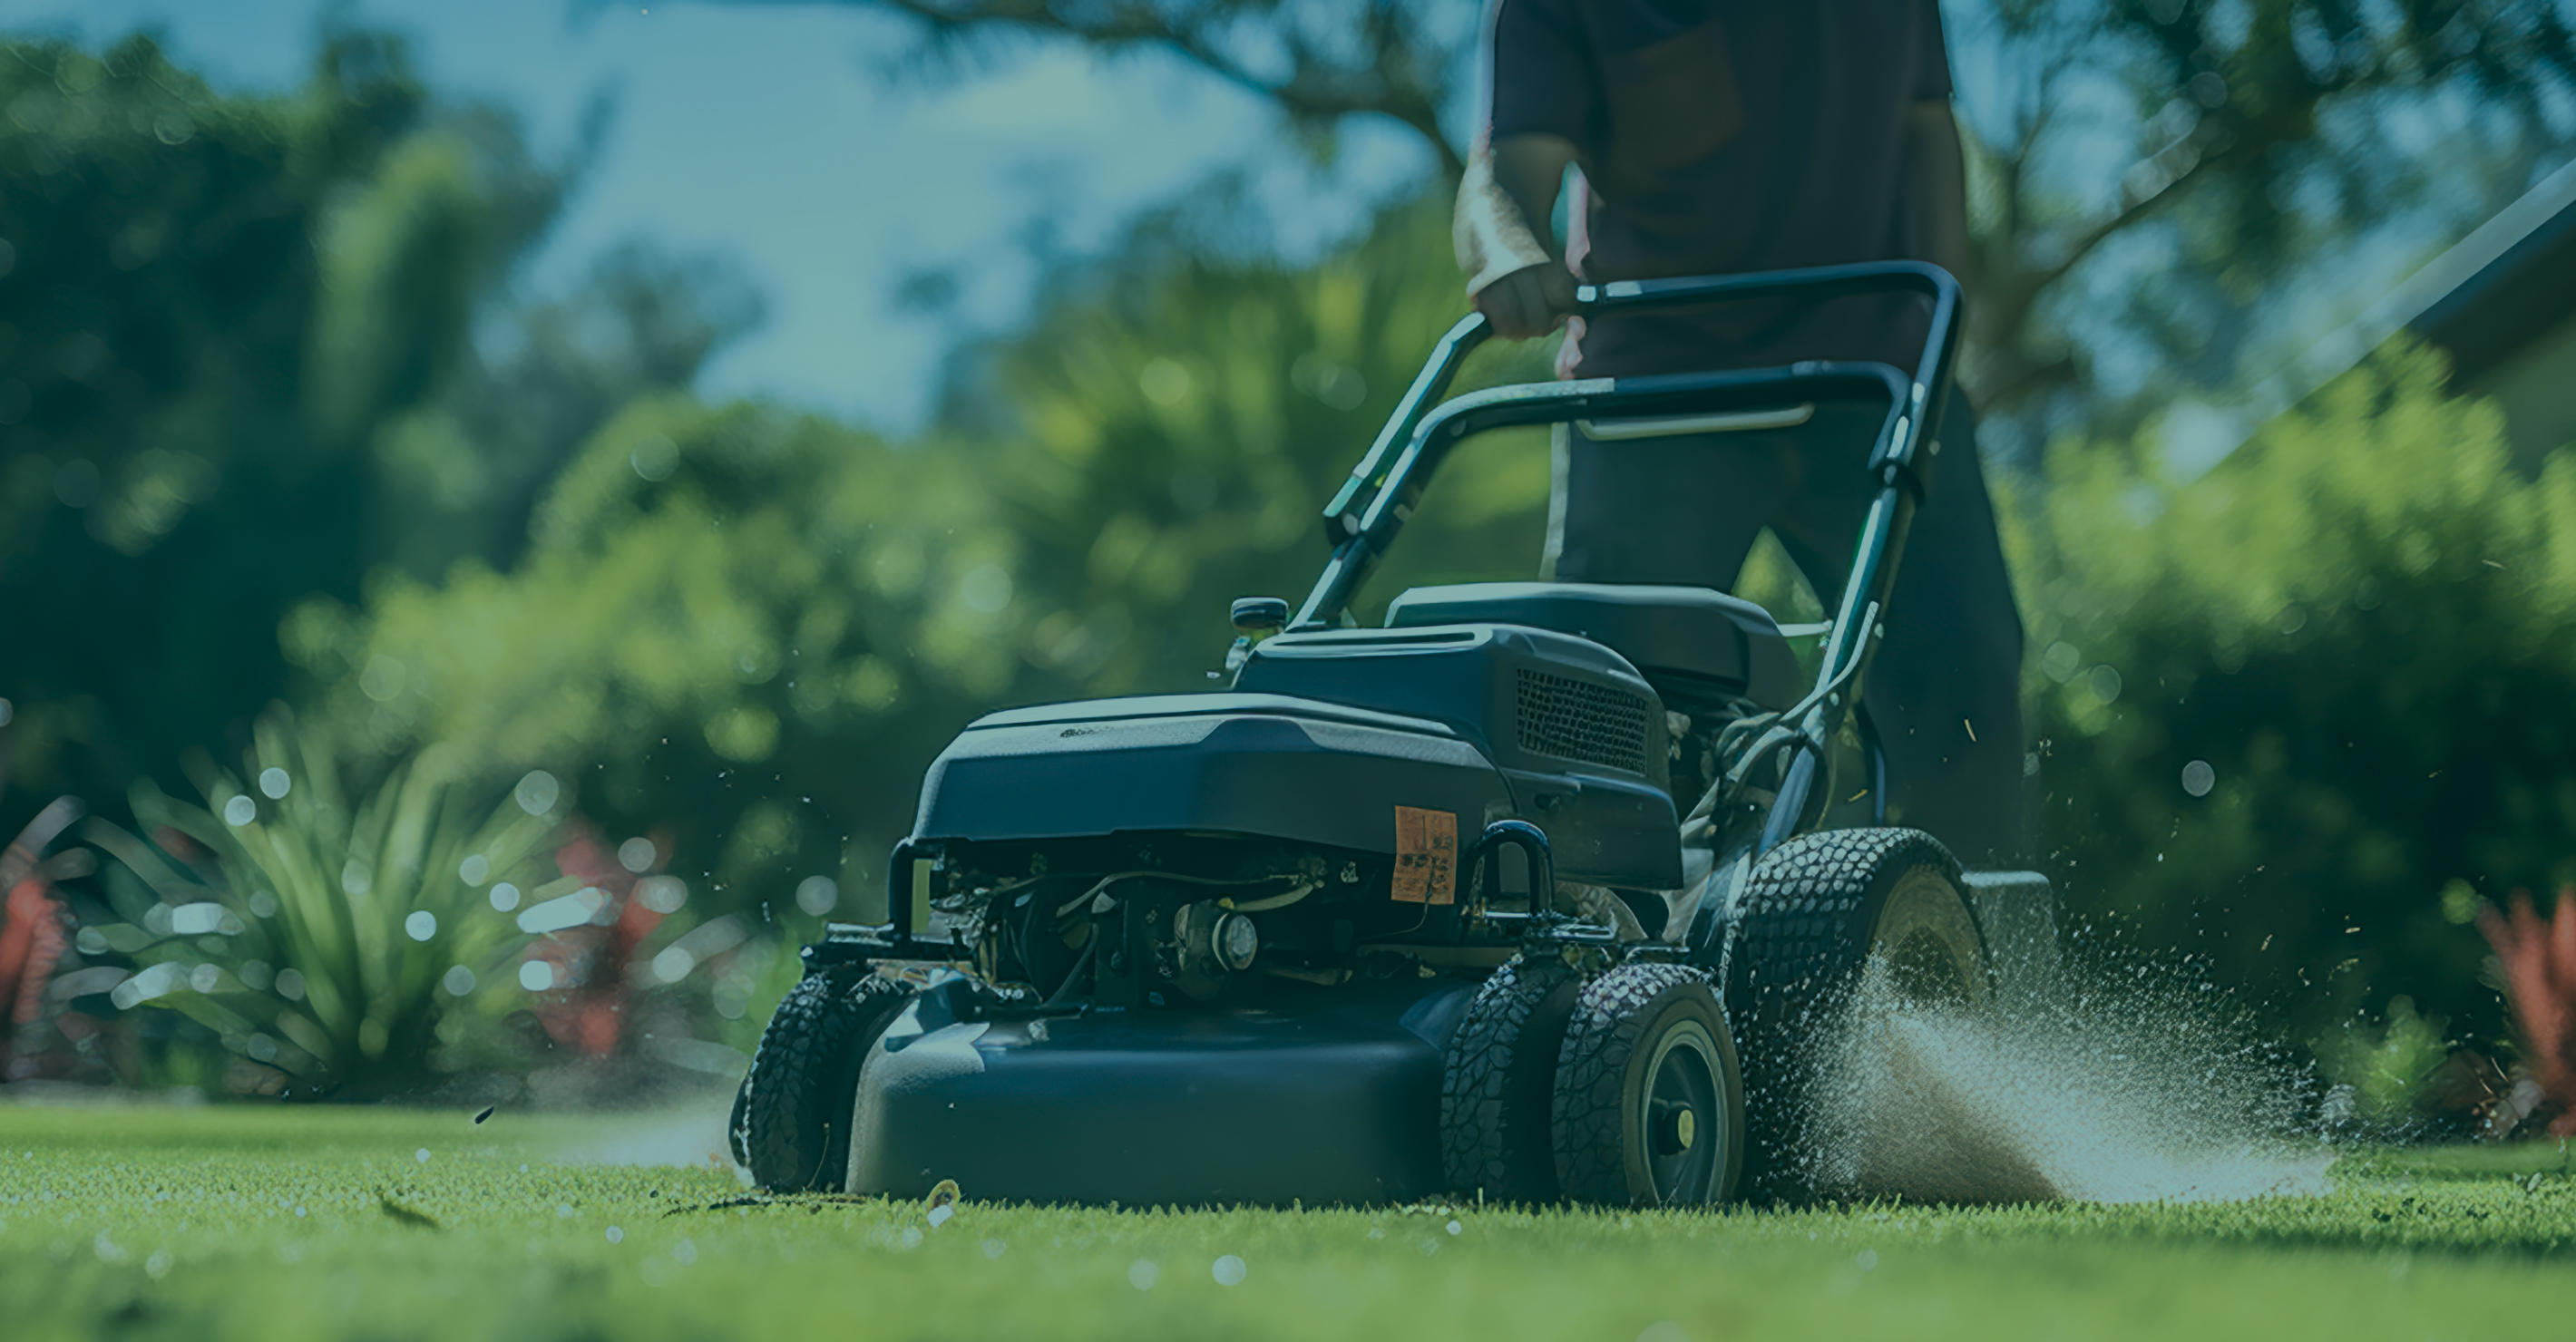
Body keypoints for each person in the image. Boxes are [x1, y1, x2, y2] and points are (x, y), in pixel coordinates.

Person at [1455, 0, 2025, 863]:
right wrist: (1504, 255)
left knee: (1966, 677)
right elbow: (1505, 175)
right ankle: (1592, 963)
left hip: (1877, 378)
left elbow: (1926, 127)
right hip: (1661, 391)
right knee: (1601, 707)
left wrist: (1942, 345)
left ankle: (1978, 957)